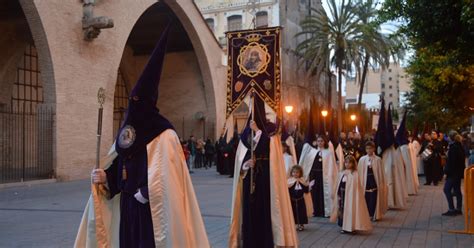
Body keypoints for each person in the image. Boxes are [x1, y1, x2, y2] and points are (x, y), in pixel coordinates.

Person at [75, 25, 209, 247]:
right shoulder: (128, 134)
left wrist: (147, 192)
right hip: (127, 206)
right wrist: (105, 177)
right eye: (131, 102)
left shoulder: (164, 134)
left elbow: (170, 179)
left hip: (150, 211)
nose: (132, 108)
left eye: (138, 103)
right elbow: (119, 167)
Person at [229, 96, 297, 248]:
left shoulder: (270, 129)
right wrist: (246, 165)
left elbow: (269, 147)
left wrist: (258, 132)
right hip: (249, 177)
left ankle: (266, 241)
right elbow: (241, 155)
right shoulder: (246, 131)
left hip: (266, 176)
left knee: (265, 208)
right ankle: (249, 241)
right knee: (249, 210)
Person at [330, 155, 372, 234]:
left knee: (351, 210)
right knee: (342, 210)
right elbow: (338, 184)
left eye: (349, 163)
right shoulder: (341, 173)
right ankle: (343, 226)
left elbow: (357, 187)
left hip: (351, 197)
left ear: (353, 164)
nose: (347, 165)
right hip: (342, 194)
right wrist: (336, 193)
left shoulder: (355, 174)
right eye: (346, 163)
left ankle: (352, 227)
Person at [299, 135, 338, 217]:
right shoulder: (313, 152)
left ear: (325, 142)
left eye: (321, 141)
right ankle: (315, 211)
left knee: (323, 192)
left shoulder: (328, 152)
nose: (320, 143)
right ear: (316, 142)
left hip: (324, 176)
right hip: (315, 175)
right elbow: (308, 164)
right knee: (315, 192)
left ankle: (324, 211)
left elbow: (331, 165)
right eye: (318, 141)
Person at [358, 141, 387, 221]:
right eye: (367, 149)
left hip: (374, 181)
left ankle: (374, 213)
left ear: (373, 149)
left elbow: (380, 173)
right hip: (366, 181)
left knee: (374, 198)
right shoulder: (362, 159)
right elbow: (360, 172)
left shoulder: (378, 159)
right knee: (366, 197)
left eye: (370, 148)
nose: (369, 150)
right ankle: (366, 214)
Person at [442, 131, 466, 216]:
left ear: (451, 138)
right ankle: (458, 209)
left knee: (447, 189)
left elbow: (451, 163)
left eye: (448, 137)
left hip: (453, 173)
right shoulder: (460, 146)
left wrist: (446, 173)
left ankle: (451, 209)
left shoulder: (453, 147)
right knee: (457, 190)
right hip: (458, 173)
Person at [288, 165, 310, 231]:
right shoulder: (289, 181)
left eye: (297, 172)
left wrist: (304, 185)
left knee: (301, 212)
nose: (295, 174)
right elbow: (288, 190)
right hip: (292, 199)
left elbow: (306, 190)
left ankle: (301, 224)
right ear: (291, 173)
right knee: (293, 212)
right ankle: (294, 224)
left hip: (300, 199)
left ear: (300, 173)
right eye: (294, 172)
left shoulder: (302, 180)